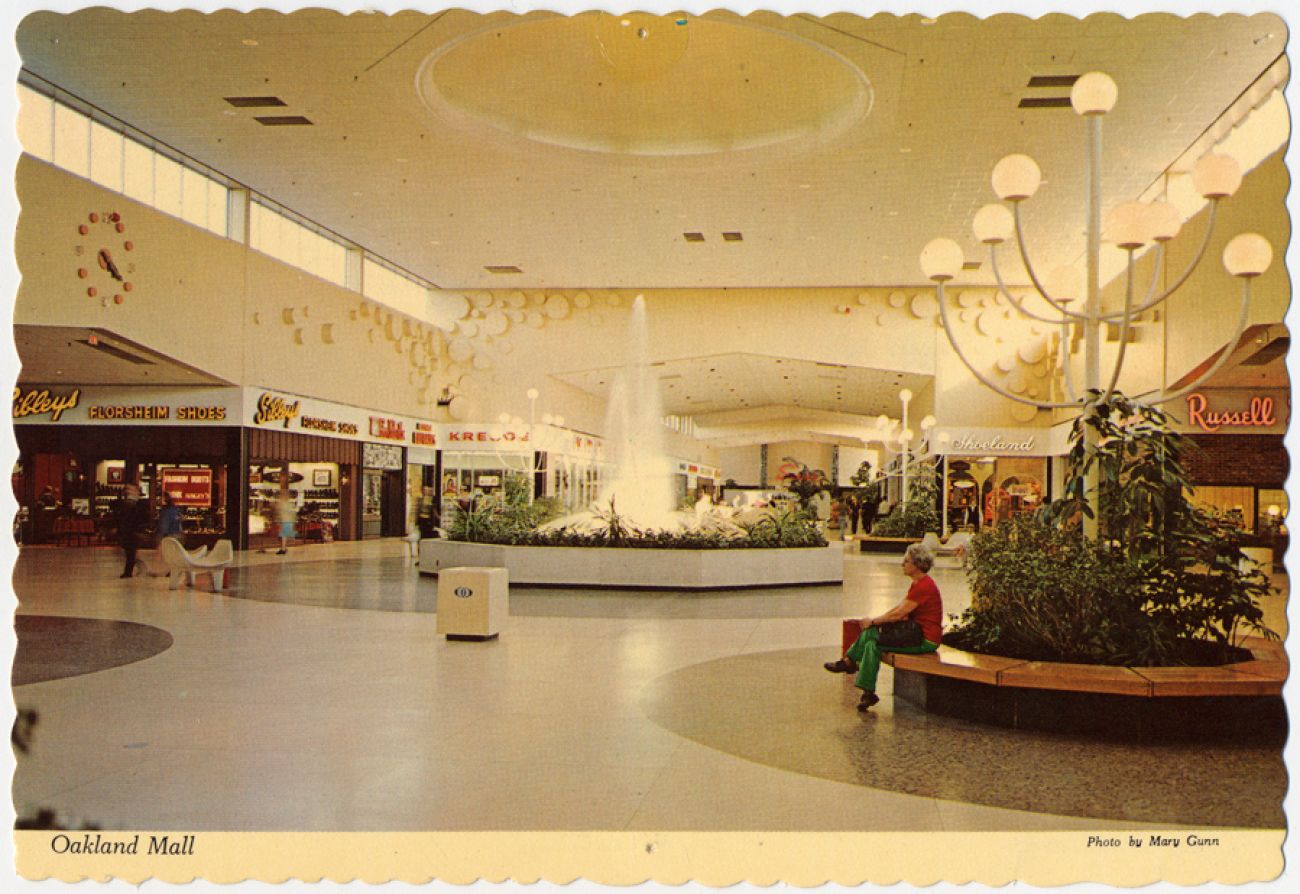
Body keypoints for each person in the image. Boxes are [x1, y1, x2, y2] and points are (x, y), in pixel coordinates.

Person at [822, 542, 944, 711]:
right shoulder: (919, 583)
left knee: (871, 634)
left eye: (907, 561)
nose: (902, 564)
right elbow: (898, 610)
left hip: (925, 639)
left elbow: (897, 614)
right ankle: (867, 692)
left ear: (918, 564)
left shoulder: (923, 586)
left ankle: (849, 662)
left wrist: (873, 622)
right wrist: (876, 620)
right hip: (913, 633)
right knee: (872, 644)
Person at [148, 492, 183, 576]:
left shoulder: (165, 511)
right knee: (171, 554)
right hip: (175, 533)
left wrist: (162, 535)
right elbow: (179, 520)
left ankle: (158, 570)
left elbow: (164, 524)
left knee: (161, 553)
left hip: (168, 535)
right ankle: (171, 570)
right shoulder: (175, 509)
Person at [117, 482, 146, 579]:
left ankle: (129, 572)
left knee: (130, 553)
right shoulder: (131, 504)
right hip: (130, 533)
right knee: (131, 553)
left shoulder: (130, 504)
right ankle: (134, 570)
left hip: (130, 533)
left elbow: (127, 520)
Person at [275, 490, 297, 555]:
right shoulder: (290, 504)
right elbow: (293, 513)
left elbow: (281, 512)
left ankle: (283, 549)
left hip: (285, 520)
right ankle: (283, 548)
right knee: (283, 535)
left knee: (283, 535)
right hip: (288, 520)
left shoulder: (283, 504)